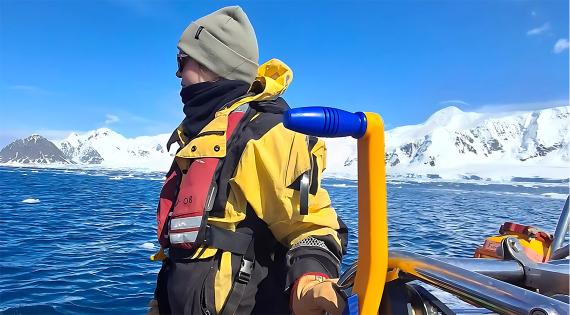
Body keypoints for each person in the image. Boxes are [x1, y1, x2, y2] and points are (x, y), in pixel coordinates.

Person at [149, 6, 348, 315]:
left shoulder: (267, 133)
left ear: (211, 63)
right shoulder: (201, 138)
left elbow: (315, 227)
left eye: (181, 60)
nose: (177, 72)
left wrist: (311, 281)